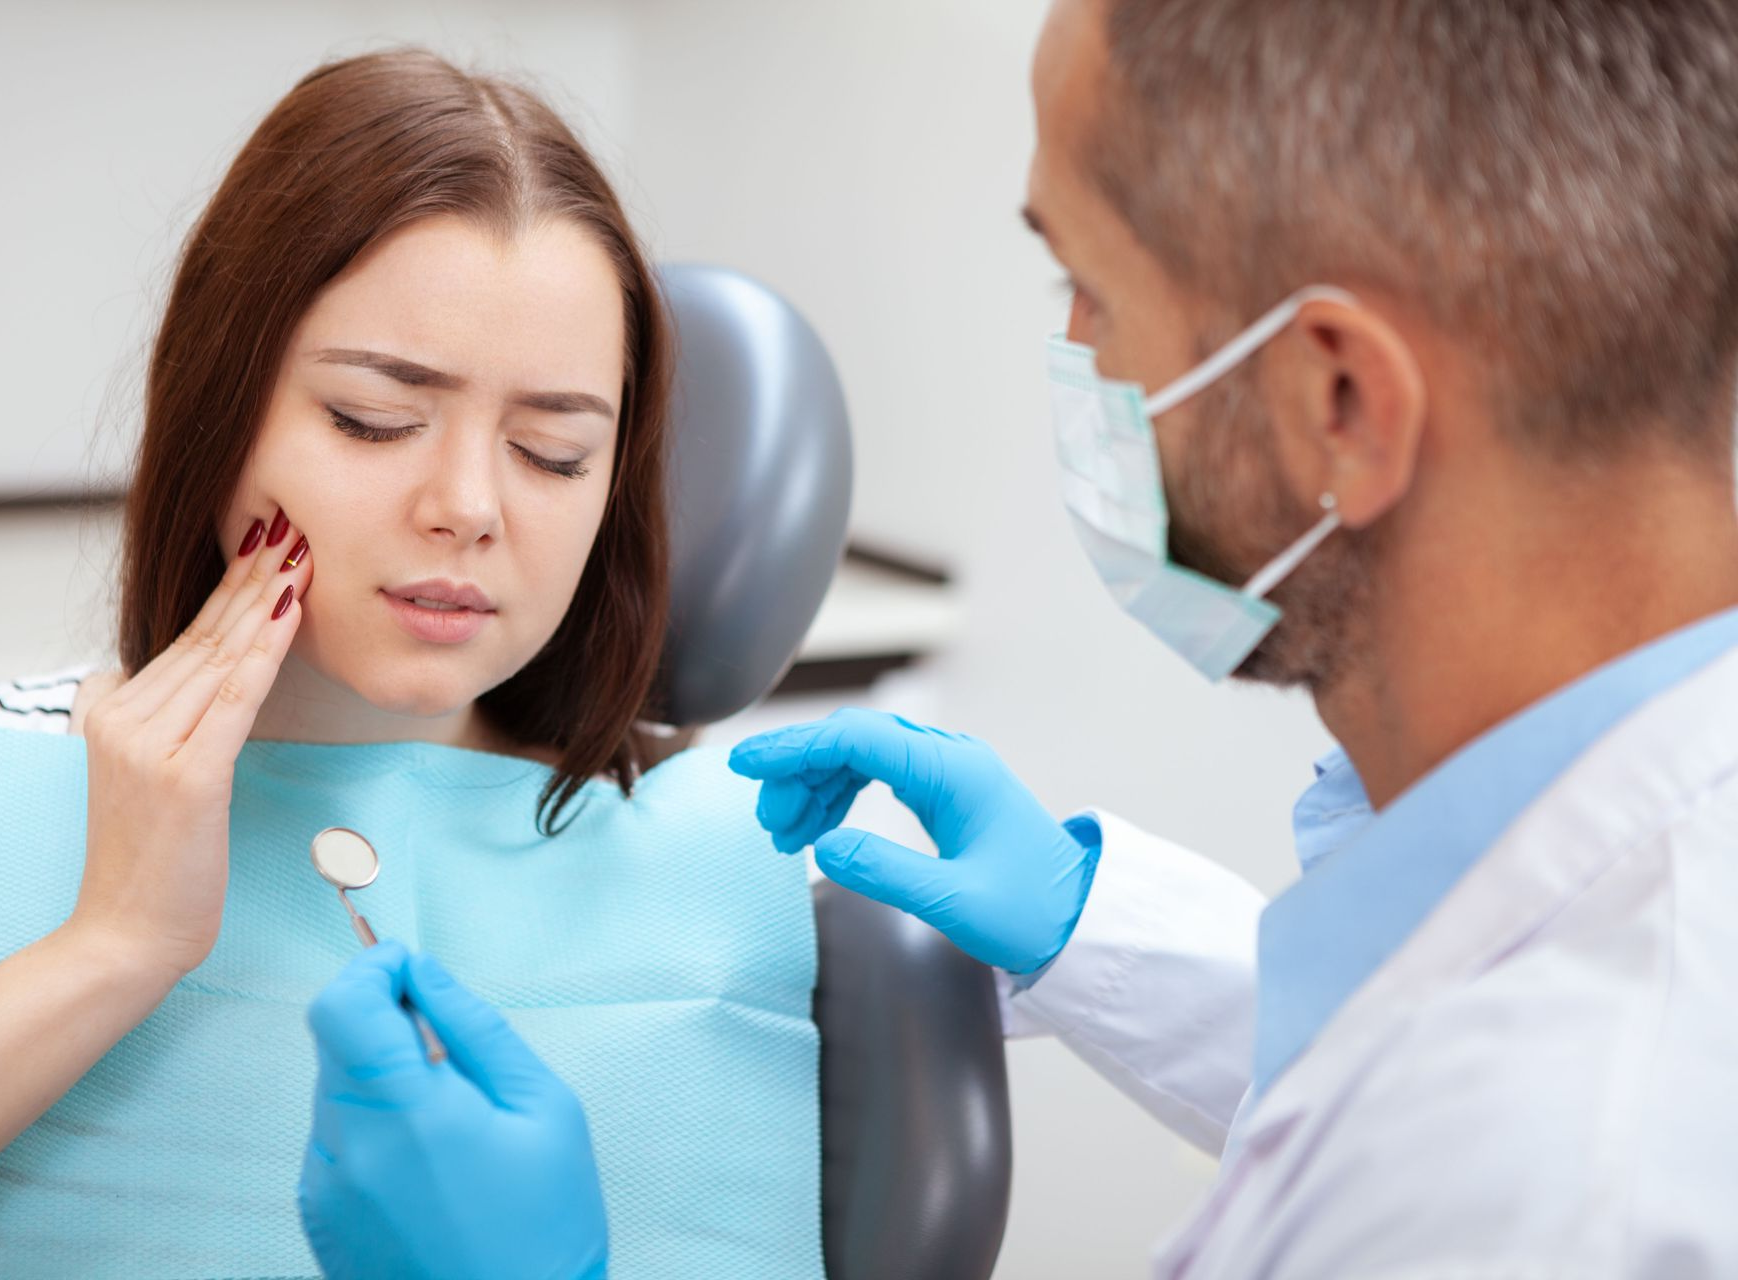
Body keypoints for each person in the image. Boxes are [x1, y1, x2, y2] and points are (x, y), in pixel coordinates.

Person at [309, 0, 1738, 1276]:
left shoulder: (1565, 1192)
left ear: (1340, 407)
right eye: (373, 418)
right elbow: (1395, 1062)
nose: (1075, 355)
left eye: (1094, 296)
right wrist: (1091, 926)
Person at [0, 49, 821, 1280]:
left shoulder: (753, 875)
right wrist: (111, 943)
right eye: (372, 420)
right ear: (220, 405)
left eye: (555, 452)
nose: (466, 506)